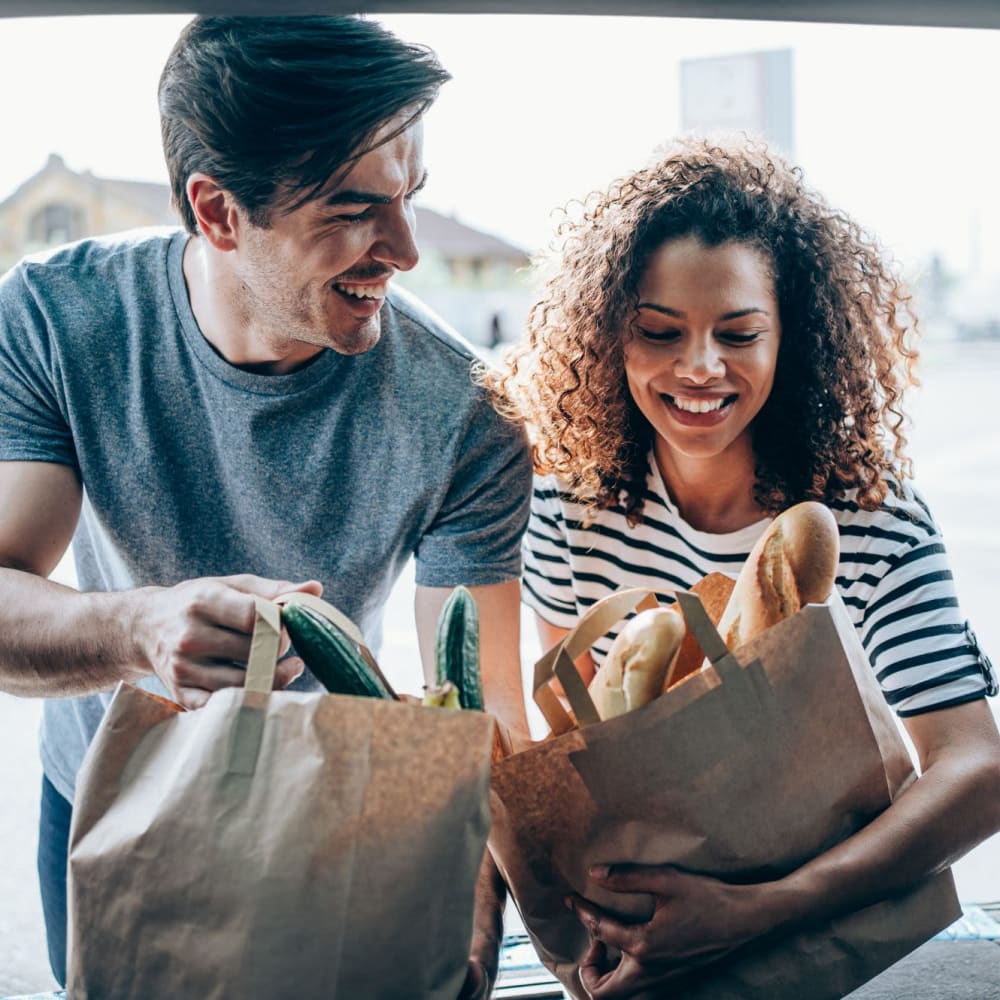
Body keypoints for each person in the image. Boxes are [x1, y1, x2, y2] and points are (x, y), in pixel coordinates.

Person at [0, 15, 532, 995]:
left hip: (328, 820)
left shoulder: (470, 412)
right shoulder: (53, 318)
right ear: (216, 211)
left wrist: (475, 904)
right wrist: (138, 627)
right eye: (350, 208)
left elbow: (488, 703)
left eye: (409, 194)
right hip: (103, 800)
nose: (405, 249)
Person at [484, 135, 1000, 997]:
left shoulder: (871, 520)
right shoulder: (570, 517)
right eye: (659, 332)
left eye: (738, 334)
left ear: (788, 340)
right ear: (611, 337)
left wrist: (764, 908)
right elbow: (581, 761)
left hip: (832, 941)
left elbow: (977, 771)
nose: (699, 367)